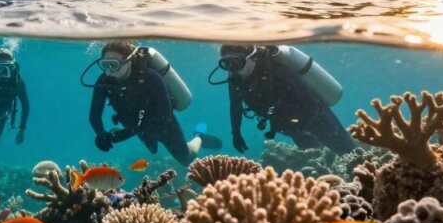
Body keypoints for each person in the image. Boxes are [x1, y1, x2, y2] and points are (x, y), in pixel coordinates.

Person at [213, 45, 356, 155]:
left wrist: (305, 126)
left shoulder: (277, 71)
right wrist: (236, 133)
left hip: (318, 118)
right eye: (226, 64)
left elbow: (309, 101)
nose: (233, 69)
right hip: (291, 128)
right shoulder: (235, 80)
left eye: (236, 63)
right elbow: (235, 105)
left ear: (252, 58)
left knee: (349, 153)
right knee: (314, 159)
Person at [87, 42, 206, 165]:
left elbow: (165, 116)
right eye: (105, 65)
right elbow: (94, 115)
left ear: (129, 61)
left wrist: (131, 132)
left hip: (163, 126)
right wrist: (100, 133)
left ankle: (199, 137)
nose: (109, 71)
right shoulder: (103, 81)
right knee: (153, 150)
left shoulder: (150, 77)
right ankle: (151, 141)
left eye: (114, 64)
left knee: (186, 159)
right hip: (136, 126)